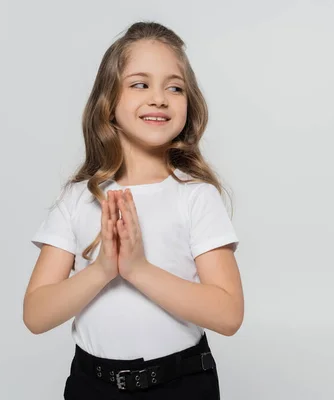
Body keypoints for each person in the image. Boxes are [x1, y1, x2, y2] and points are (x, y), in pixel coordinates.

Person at [22, 21, 244, 400]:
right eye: (140, 83)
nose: (159, 98)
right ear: (108, 103)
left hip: (182, 384)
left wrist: (138, 270)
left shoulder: (195, 196)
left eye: (174, 87)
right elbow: (36, 315)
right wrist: (104, 270)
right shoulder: (78, 198)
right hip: (92, 386)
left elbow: (228, 315)